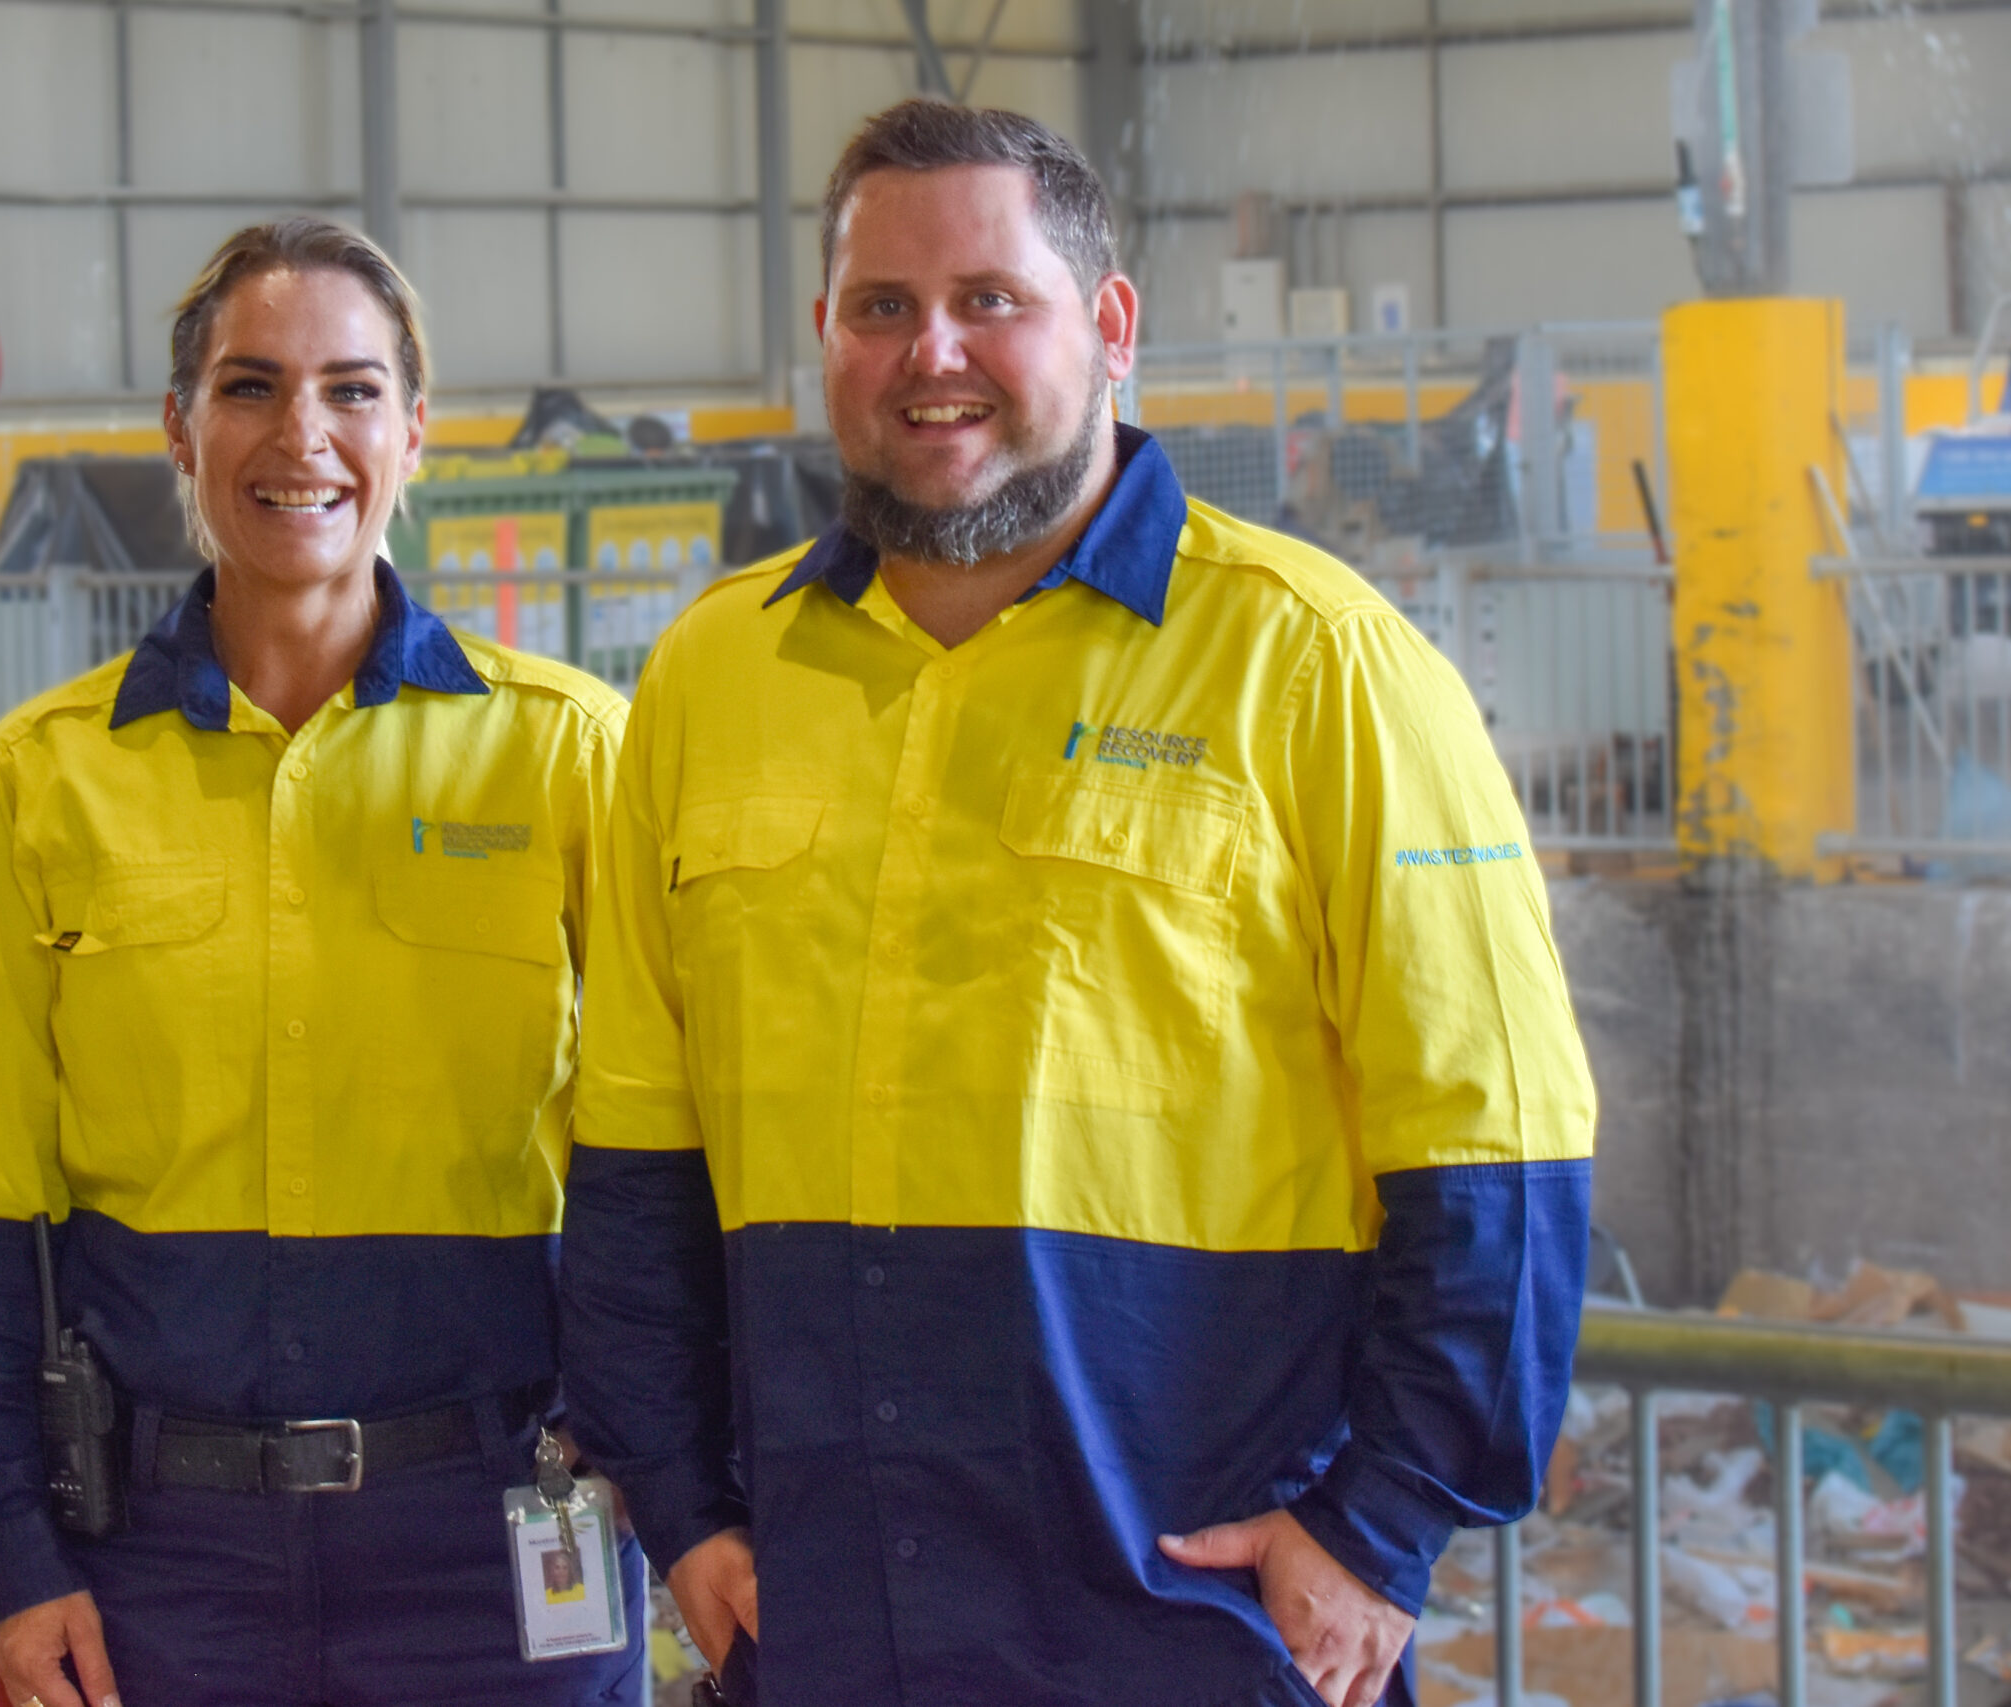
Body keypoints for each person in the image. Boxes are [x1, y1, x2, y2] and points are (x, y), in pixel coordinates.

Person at [558, 101, 1594, 1707]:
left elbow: (1498, 1147)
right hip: (830, 1629)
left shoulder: (1318, 667)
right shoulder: (712, 678)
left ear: (1110, 326)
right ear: (826, 334)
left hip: (1194, 1627)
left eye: (990, 299)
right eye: (883, 306)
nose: (932, 354)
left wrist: (1382, 1524)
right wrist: (684, 1510)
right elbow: (637, 1152)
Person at [0, 216, 645, 1707]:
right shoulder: (44, 781)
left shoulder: (567, 755)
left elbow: (663, 1163)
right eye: (249, 387)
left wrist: (676, 1466)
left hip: (497, 1544)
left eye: (352, 390)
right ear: (181, 430)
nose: (301, 434)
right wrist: (13, 1552)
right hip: (156, 1567)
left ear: (414, 433)